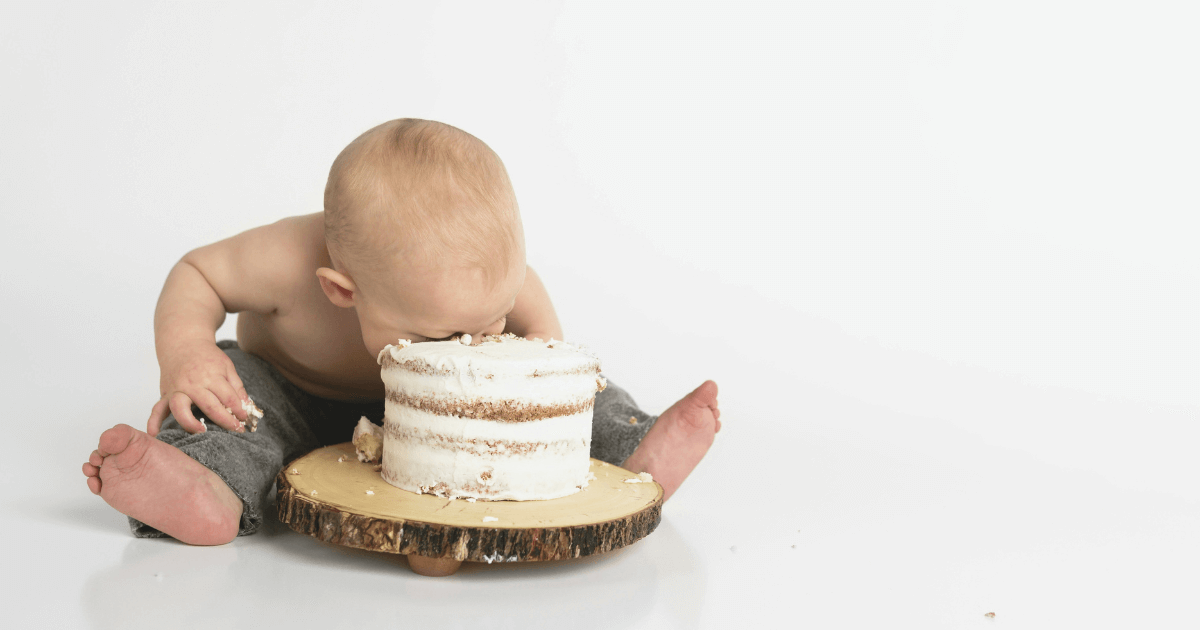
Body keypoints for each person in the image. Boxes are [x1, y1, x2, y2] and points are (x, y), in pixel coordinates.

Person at [82, 119, 721, 545]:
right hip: (294, 393)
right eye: (440, 336)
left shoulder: (476, 279)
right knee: (234, 406)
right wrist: (185, 353)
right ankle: (204, 488)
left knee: (583, 390)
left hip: (448, 419)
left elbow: (536, 323)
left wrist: (537, 372)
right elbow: (196, 274)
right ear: (341, 289)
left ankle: (630, 449)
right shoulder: (284, 260)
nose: (466, 347)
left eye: (488, 322)